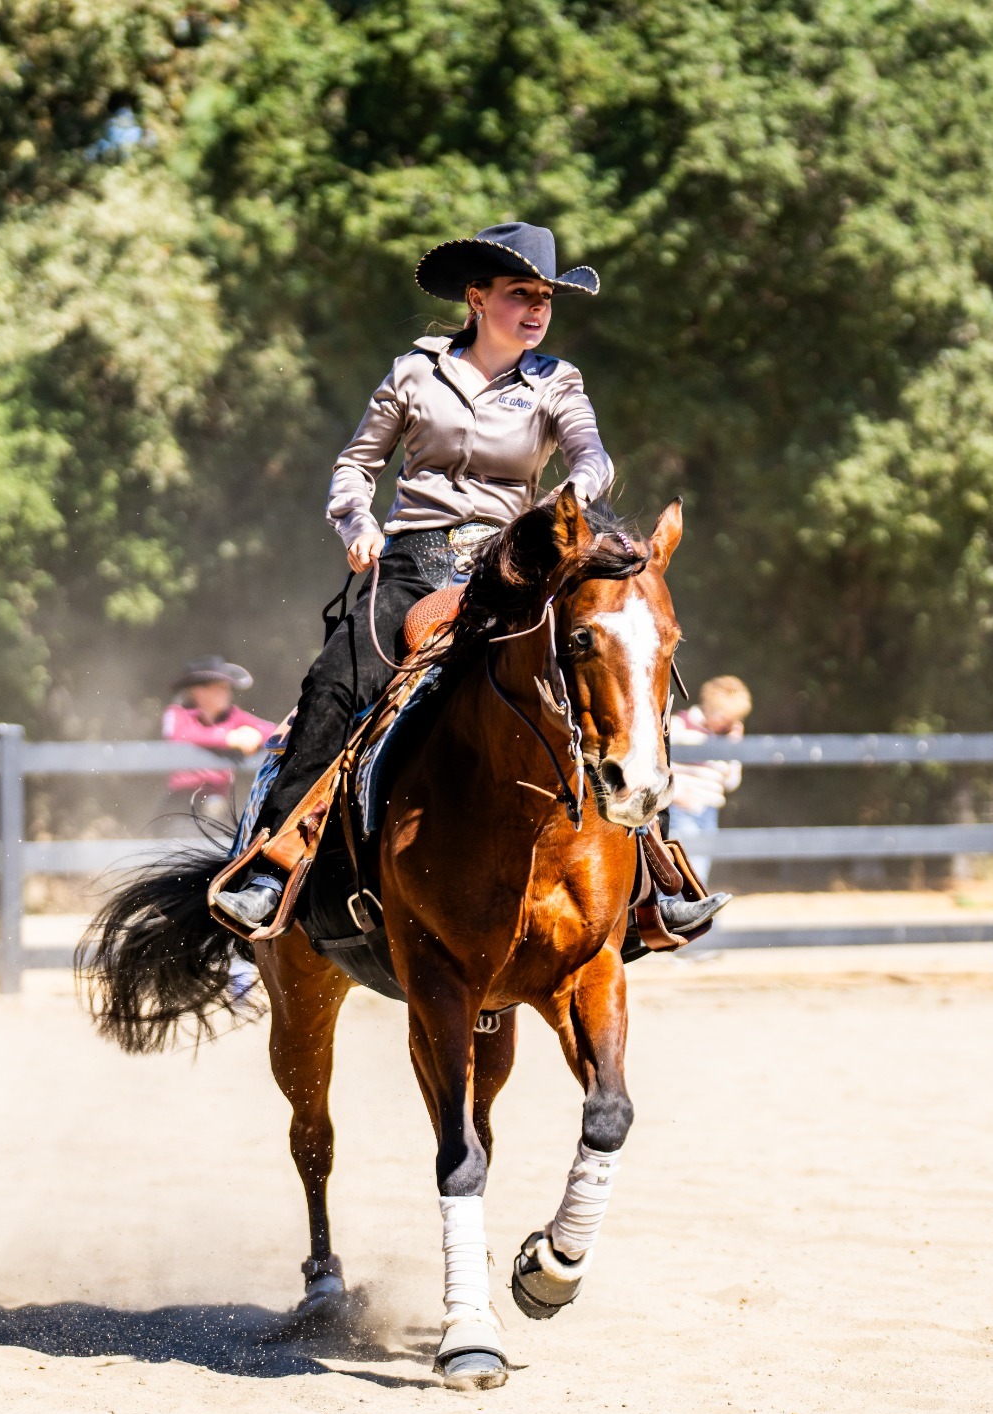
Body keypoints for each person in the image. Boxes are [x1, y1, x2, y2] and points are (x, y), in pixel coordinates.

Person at [213, 220, 729, 938]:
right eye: (521, 293)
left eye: (546, 296)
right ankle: (274, 863)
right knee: (335, 683)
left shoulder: (558, 381)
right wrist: (356, 522)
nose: (538, 308)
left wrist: (576, 494)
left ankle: (655, 875)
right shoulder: (414, 373)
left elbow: (592, 454)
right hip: (412, 561)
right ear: (478, 297)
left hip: (512, 567)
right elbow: (356, 465)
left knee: (620, 669)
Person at [161, 657, 274, 832]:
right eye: (220, 688)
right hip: (182, 801)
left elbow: (272, 732)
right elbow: (179, 736)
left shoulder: (233, 715)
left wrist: (257, 735)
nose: (227, 693)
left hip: (220, 802)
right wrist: (228, 738)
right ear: (199, 691)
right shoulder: (177, 714)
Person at [667, 675, 752, 886]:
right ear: (711, 708)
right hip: (682, 809)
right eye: (725, 717)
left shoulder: (725, 738)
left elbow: (731, 782)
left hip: (709, 811)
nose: (728, 724)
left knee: (700, 866)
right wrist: (677, 794)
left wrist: (733, 748)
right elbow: (661, 766)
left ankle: (692, 911)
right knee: (692, 870)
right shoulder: (680, 725)